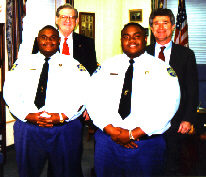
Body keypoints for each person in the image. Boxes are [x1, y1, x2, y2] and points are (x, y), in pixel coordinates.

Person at [86, 23, 181, 177]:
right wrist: (111, 130)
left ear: (145, 38)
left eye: (137, 36)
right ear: (121, 40)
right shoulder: (107, 66)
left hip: (146, 144)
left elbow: (169, 106)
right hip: (108, 141)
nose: (131, 40)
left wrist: (133, 134)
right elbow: (92, 98)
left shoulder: (161, 69)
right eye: (126, 37)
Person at [3, 25, 90, 177]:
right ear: (38, 40)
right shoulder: (22, 63)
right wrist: (27, 115)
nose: (48, 41)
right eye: (44, 37)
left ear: (58, 41)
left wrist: (62, 116)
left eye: (53, 38)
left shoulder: (73, 64)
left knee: (67, 171)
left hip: (64, 128)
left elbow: (83, 94)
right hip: (28, 128)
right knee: (27, 171)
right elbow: (10, 93)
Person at [146, 8, 199, 176]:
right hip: (146, 120)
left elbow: (192, 90)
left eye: (165, 23)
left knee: (172, 166)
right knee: (147, 164)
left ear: (174, 27)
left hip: (175, 122)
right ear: (151, 28)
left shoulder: (186, 55)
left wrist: (188, 119)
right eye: (156, 24)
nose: (161, 27)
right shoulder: (141, 53)